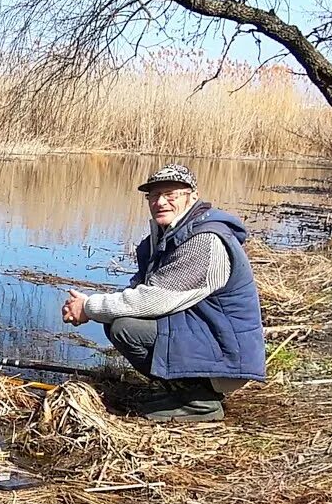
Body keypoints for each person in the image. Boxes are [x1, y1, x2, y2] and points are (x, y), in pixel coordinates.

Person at [62, 163, 266, 422]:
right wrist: (90, 306)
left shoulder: (205, 240)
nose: (161, 202)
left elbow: (154, 299)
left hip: (228, 354)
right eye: (154, 196)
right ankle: (181, 393)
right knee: (117, 320)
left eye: (171, 195)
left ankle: (200, 403)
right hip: (207, 338)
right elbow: (137, 289)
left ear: (192, 196)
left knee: (125, 328)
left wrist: (89, 307)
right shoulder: (166, 238)